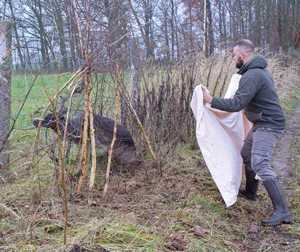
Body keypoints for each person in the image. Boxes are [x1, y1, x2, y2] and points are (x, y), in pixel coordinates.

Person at [202, 39, 293, 226]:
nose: (233, 59)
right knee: (246, 154)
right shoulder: (257, 72)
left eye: (234, 55)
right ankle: (251, 193)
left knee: (260, 162)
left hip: (269, 124)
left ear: (242, 55)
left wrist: (211, 100)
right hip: (262, 122)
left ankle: (283, 211)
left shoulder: (252, 75)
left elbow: (237, 104)